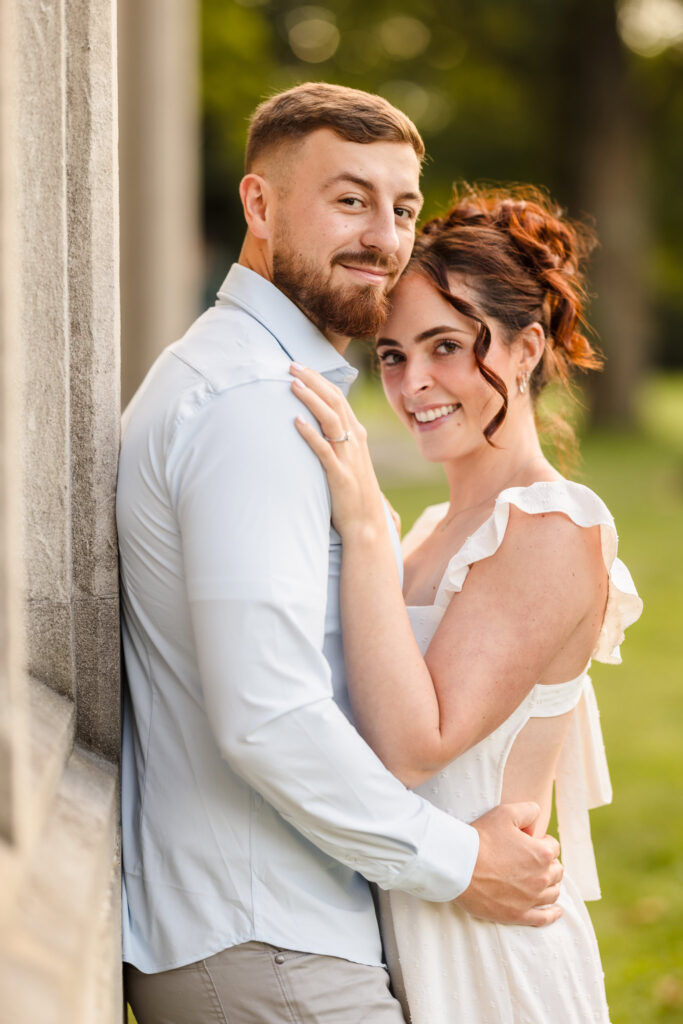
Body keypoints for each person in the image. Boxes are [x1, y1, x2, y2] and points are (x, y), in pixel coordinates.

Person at [118, 87, 565, 1024]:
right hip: (266, 938)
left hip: (293, 927)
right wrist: (459, 863)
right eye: (349, 200)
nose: (384, 236)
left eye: (402, 208)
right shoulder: (252, 405)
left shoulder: (260, 383)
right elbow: (269, 717)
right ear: (259, 205)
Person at [291, 185, 643, 1022]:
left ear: (524, 350)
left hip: (487, 958)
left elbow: (416, 746)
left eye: (445, 346)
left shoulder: (552, 526)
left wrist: (362, 530)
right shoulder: (434, 529)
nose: (413, 384)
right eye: (391, 354)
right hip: (410, 916)